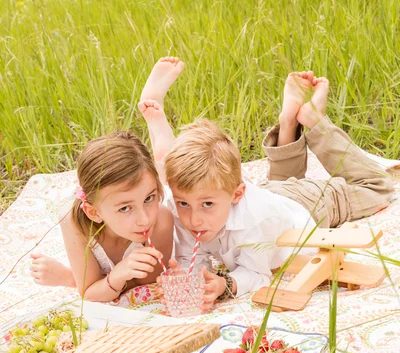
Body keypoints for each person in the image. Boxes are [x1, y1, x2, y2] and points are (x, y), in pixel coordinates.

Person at [140, 65, 394, 311]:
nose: (193, 219)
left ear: (237, 194)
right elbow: (190, 260)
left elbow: (257, 274)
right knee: (278, 186)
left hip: (303, 206)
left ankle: (315, 122)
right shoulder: (186, 202)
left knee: (378, 187)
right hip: (267, 196)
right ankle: (288, 123)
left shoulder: (256, 221)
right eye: (184, 203)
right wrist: (186, 279)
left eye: (207, 204)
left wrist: (226, 284)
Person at [30, 57, 186, 301]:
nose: (144, 219)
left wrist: (89, 280)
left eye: (149, 198)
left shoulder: (162, 220)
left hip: (125, 195)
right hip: (96, 218)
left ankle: (155, 111)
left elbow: (146, 284)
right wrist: (117, 274)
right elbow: (89, 294)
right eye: (125, 208)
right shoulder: (75, 223)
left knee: (180, 173)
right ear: (94, 213)